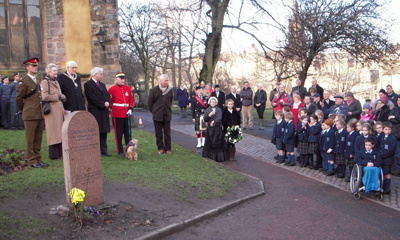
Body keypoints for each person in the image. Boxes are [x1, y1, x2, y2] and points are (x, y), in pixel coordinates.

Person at [16, 57, 49, 168]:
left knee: (38, 138)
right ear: (27, 67)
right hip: (30, 114)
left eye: (36, 66)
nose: (35, 67)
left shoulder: (36, 79)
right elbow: (19, 99)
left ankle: (38, 159)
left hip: (39, 113)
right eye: (33, 66)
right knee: (30, 139)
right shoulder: (24, 81)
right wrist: (25, 110)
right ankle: (31, 160)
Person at [41, 64, 66, 160]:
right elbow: (45, 97)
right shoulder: (45, 82)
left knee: (59, 131)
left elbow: (58, 94)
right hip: (51, 110)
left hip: (59, 110)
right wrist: (57, 96)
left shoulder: (56, 82)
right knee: (53, 132)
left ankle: (60, 153)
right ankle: (54, 154)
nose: (56, 72)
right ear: (48, 72)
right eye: (53, 70)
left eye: (56, 70)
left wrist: (62, 97)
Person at [84, 67, 111, 157]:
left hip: (104, 111)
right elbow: (91, 97)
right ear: (95, 74)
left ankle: (104, 150)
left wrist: (107, 102)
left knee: (104, 131)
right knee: (96, 130)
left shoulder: (102, 85)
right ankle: (96, 150)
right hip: (95, 110)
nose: (102, 76)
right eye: (100, 74)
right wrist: (102, 104)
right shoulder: (88, 84)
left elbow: (107, 95)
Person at [108, 72, 134, 156]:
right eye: (121, 79)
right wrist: (115, 108)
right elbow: (109, 102)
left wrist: (130, 108)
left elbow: (131, 99)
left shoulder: (127, 88)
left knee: (127, 132)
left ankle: (129, 148)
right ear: (116, 79)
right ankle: (120, 150)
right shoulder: (112, 89)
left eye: (123, 79)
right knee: (118, 133)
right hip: (117, 113)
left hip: (126, 113)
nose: (123, 80)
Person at [148, 74, 173, 155]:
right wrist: (154, 111)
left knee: (167, 133)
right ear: (160, 81)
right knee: (158, 133)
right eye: (165, 80)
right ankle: (160, 147)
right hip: (157, 115)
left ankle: (168, 148)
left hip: (167, 114)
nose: (166, 82)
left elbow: (171, 101)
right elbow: (149, 103)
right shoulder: (153, 90)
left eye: (167, 80)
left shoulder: (170, 90)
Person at [202, 97, 228, 162]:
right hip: (210, 129)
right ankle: (210, 155)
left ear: (216, 103)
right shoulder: (207, 110)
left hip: (217, 129)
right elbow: (205, 119)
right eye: (211, 102)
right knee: (210, 142)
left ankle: (219, 157)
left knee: (218, 142)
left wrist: (214, 121)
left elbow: (219, 118)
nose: (213, 103)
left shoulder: (219, 109)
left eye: (214, 102)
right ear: (209, 103)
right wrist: (209, 115)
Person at [380, 121, 397, 195]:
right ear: (383, 130)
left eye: (389, 129)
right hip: (382, 159)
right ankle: (382, 187)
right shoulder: (381, 137)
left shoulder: (393, 139)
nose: (387, 131)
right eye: (386, 129)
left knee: (387, 174)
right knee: (382, 173)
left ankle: (387, 189)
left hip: (388, 159)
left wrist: (382, 154)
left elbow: (391, 150)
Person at [388, 97, 400, 176]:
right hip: (395, 134)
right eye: (398, 100)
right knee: (396, 153)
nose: (399, 102)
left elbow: (393, 118)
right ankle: (397, 169)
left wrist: (395, 117)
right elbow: (389, 118)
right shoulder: (395, 109)